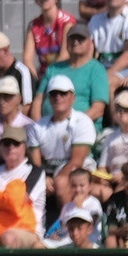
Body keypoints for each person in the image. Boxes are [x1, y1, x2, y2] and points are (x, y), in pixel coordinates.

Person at [0, 125, 46, 250]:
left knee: (8, 238)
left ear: (24, 147)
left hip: (28, 230)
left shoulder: (34, 172)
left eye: (16, 143)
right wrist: (7, 201)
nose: (11, 147)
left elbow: (16, 202)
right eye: (6, 143)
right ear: (0, 147)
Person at [28, 74, 97, 207]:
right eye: (54, 94)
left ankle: (66, 222)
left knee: (61, 182)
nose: (58, 97)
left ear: (72, 97)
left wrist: (54, 179)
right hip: (49, 172)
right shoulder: (38, 126)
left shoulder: (82, 121)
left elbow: (77, 161)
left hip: (77, 170)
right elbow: (35, 162)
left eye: (63, 93)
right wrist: (42, 177)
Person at [24, 0, 77, 82]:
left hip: (66, 73)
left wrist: (48, 79)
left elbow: (65, 55)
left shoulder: (67, 22)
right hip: (43, 76)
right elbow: (27, 59)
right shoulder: (33, 26)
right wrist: (35, 82)